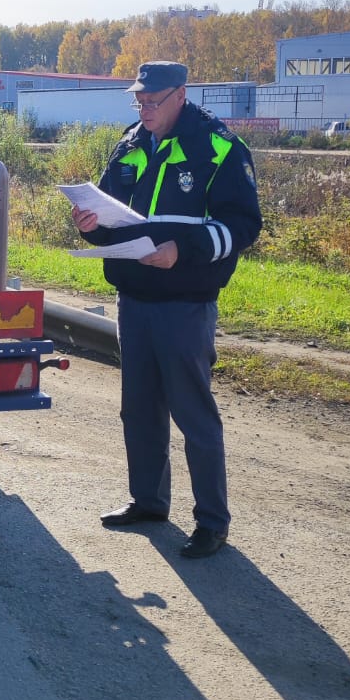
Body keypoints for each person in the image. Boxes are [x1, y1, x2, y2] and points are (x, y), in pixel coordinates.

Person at [71, 61, 262, 558]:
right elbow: (110, 212)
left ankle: (211, 523)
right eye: (139, 100)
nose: (144, 109)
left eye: (153, 100)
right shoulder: (131, 142)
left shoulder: (218, 147)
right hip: (134, 300)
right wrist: (89, 223)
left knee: (193, 415)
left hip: (185, 304)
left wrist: (184, 250)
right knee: (139, 410)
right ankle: (148, 502)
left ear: (181, 94)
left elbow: (242, 226)